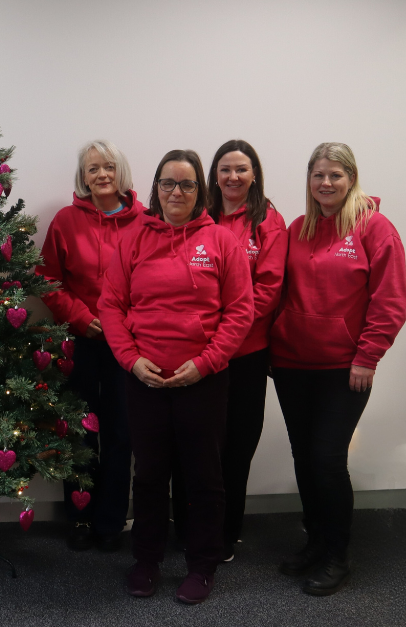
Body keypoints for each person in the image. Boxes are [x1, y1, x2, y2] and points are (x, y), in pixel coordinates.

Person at [98, 149, 253, 604]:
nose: (177, 192)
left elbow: (240, 311)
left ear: (200, 190)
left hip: (203, 381)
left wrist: (204, 363)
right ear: (156, 188)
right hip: (143, 378)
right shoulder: (133, 239)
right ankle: (146, 561)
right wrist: (130, 359)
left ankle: (202, 565)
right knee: (148, 476)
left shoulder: (221, 241)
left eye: (186, 184)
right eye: (168, 183)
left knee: (204, 477)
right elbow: (111, 305)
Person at [270, 142, 406, 596]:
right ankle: (315, 541)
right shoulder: (297, 228)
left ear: (351, 178)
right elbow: (276, 292)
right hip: (291, 365)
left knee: (327, 460)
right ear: (309, 181)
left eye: (335, 175)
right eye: (318, 176)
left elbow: (390, 300)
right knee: (304, 458)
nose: (325, 183)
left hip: (343, 369)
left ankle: (337, 554)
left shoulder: (375, 229)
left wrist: (368, 356)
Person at [172, 140, 287, 561]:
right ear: (213, 176)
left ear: (254, 173)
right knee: (194, 444)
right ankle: (185, 527)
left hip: (245, 355)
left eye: (242, 169)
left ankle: (226, 530)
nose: (233, 177)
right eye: (225, 169)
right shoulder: (196, 216)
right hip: (197, 355)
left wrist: (225, 335)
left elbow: (269, 290)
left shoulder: (269, 221)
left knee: (236, 446)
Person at [36, 140, 144, 551]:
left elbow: (155, 283)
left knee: (122, 432)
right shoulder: (65, 221)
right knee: (79, 431)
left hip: (128, 345)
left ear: (122, 172)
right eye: (92, 169)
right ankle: (79, 518)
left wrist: (120, 325)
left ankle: (112, 519)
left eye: (109, 167)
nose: (101, 175)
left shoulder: (146, 221)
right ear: (83, 177)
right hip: (79, 342)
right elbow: (47, 280)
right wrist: (82, 318)